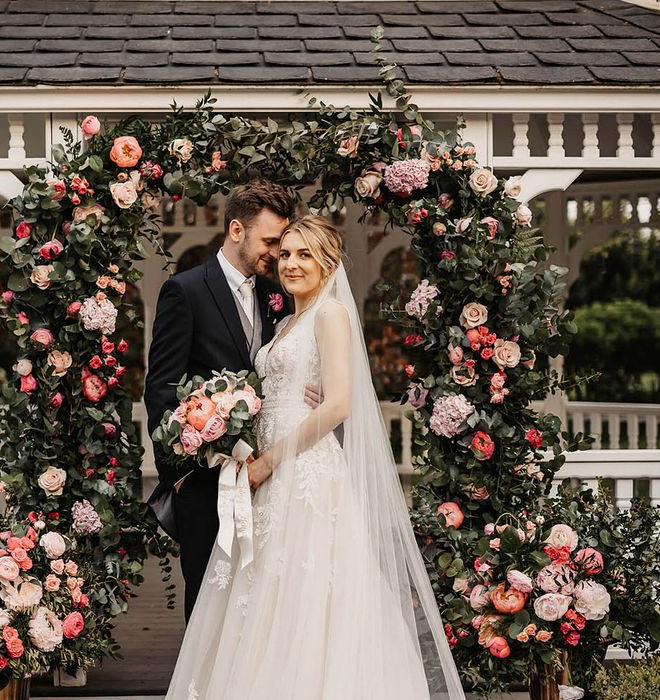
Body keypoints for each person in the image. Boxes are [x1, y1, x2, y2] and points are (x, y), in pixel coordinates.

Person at [164, 216, 465, 700]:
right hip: (266, 471)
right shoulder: (285, 322)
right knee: (263, 593)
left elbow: (340, 403)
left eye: (304, 254)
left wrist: (269, 460)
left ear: (327, 263)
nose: (290, 264)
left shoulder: (331, 316)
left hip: (303, 470)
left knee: (307, 587)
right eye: (284, 254)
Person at [144, 180, 294, 622]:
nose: (276, 253)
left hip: (267, 475)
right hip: (206, 480)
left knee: (262, 598)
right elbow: (162, 388)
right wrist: (181, 474)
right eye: (269, 241)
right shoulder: (185, 291)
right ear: (235, 230)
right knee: (208, 598)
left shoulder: (278, 293)